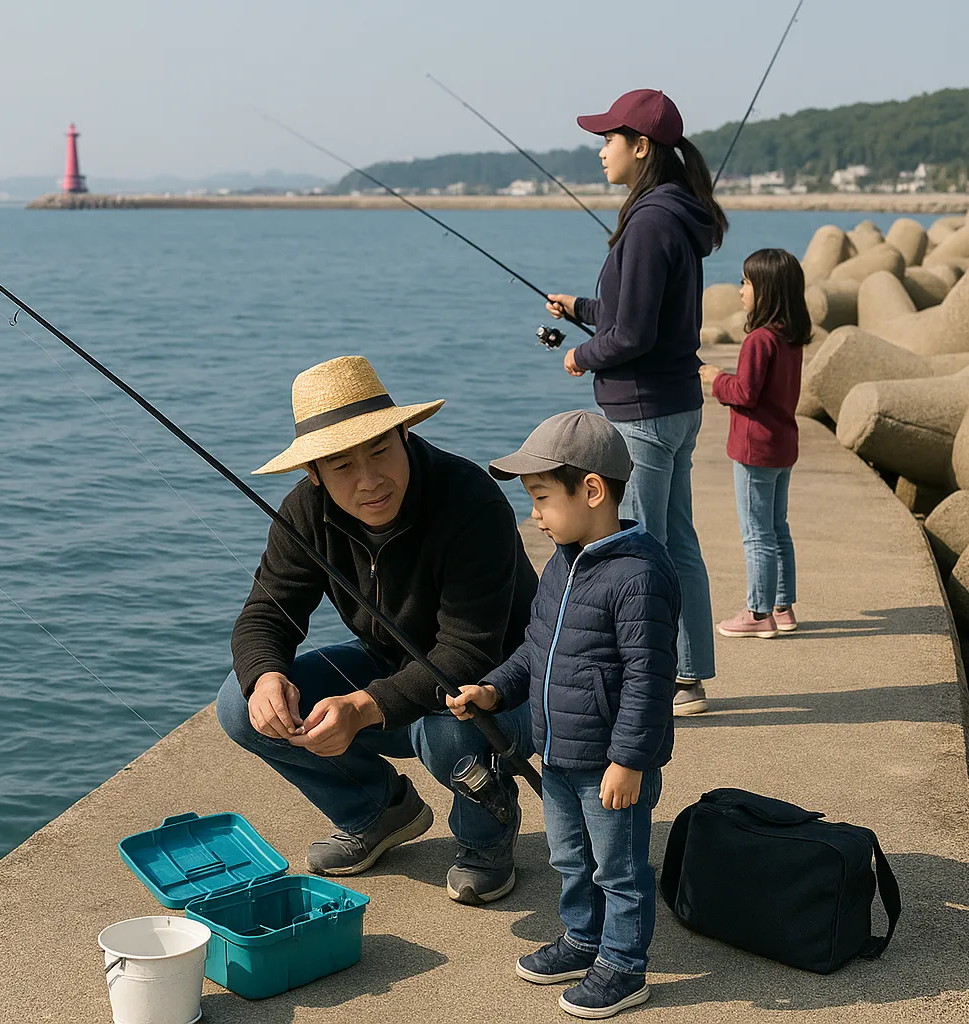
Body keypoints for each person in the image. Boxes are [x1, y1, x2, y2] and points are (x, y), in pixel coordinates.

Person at [216, 355, 538, 905]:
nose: (370, 481)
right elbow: (267, 614)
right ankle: (379, 809)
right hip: (391, 659)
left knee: (449, 731)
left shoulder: (470, 499)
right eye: (341, 466)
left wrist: (363, 708)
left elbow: (469, 650)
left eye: (380, 450)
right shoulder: (305, 511)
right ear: (312, 473)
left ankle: (486, 837)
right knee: (238, 705)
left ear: (404, 433)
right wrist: (265, 677)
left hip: (503, 681)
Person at [448, 410, 681, 1019]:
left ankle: (625, 966)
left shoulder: (640, 574)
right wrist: (495, 691)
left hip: (608, 763)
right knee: (569, 858)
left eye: (544, 499)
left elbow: (650, 680)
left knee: (620, 868)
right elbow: (536, 648)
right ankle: (583, 940)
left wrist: (629, 761)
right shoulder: (564, 561)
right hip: (556, 753)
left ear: (593, 491)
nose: (536, 514)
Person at [545, 88, 728, 717]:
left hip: (645, 409)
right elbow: (633, 316)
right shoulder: (671, 214)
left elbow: (632, 336)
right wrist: (580, 310)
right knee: (676, 537)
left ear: (640, 146)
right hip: (674, 402)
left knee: (647, 547)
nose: (600, 151)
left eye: (608, 139)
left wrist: (580, 356)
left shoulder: (650, 222)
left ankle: (668, 679)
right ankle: (688, 670)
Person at [699, 248, 812, 637]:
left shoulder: (759, 340)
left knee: (756, 533)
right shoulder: (790, 338)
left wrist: (714, 378)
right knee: (778, 528)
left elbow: (744, 393)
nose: (740, 289)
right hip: (783, 447)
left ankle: (758, 613)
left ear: (765, 291)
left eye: (746, 282)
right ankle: (783, 607)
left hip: (755, 451)